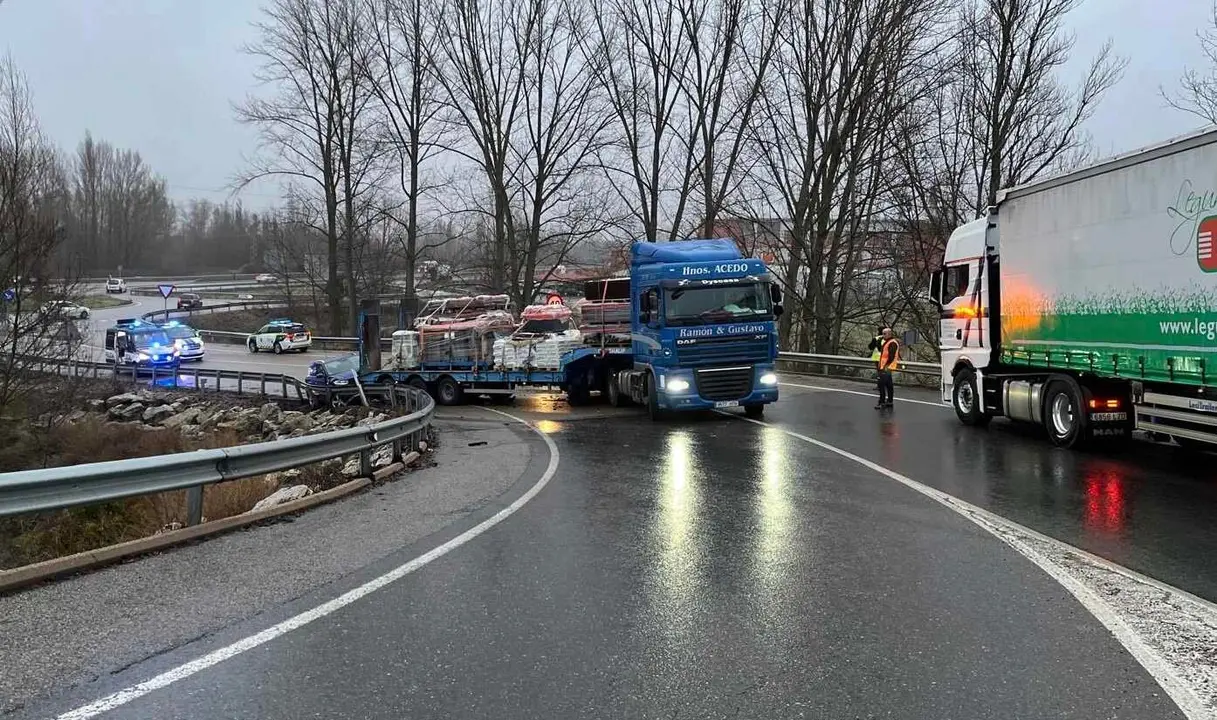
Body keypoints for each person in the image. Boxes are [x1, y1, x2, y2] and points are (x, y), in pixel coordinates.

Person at [875, 327, 899, 409]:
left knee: (881, 384)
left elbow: (891, 356)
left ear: (889, 334)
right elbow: (881, 352)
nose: (883, 335)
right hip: (886, 367)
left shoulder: (892, 343)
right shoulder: (887, 342)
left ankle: (882, 402)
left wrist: (885, 366)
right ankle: (890, 401)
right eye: (882, 333)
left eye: (884, 334)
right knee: (889, 385)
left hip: (887, 367)